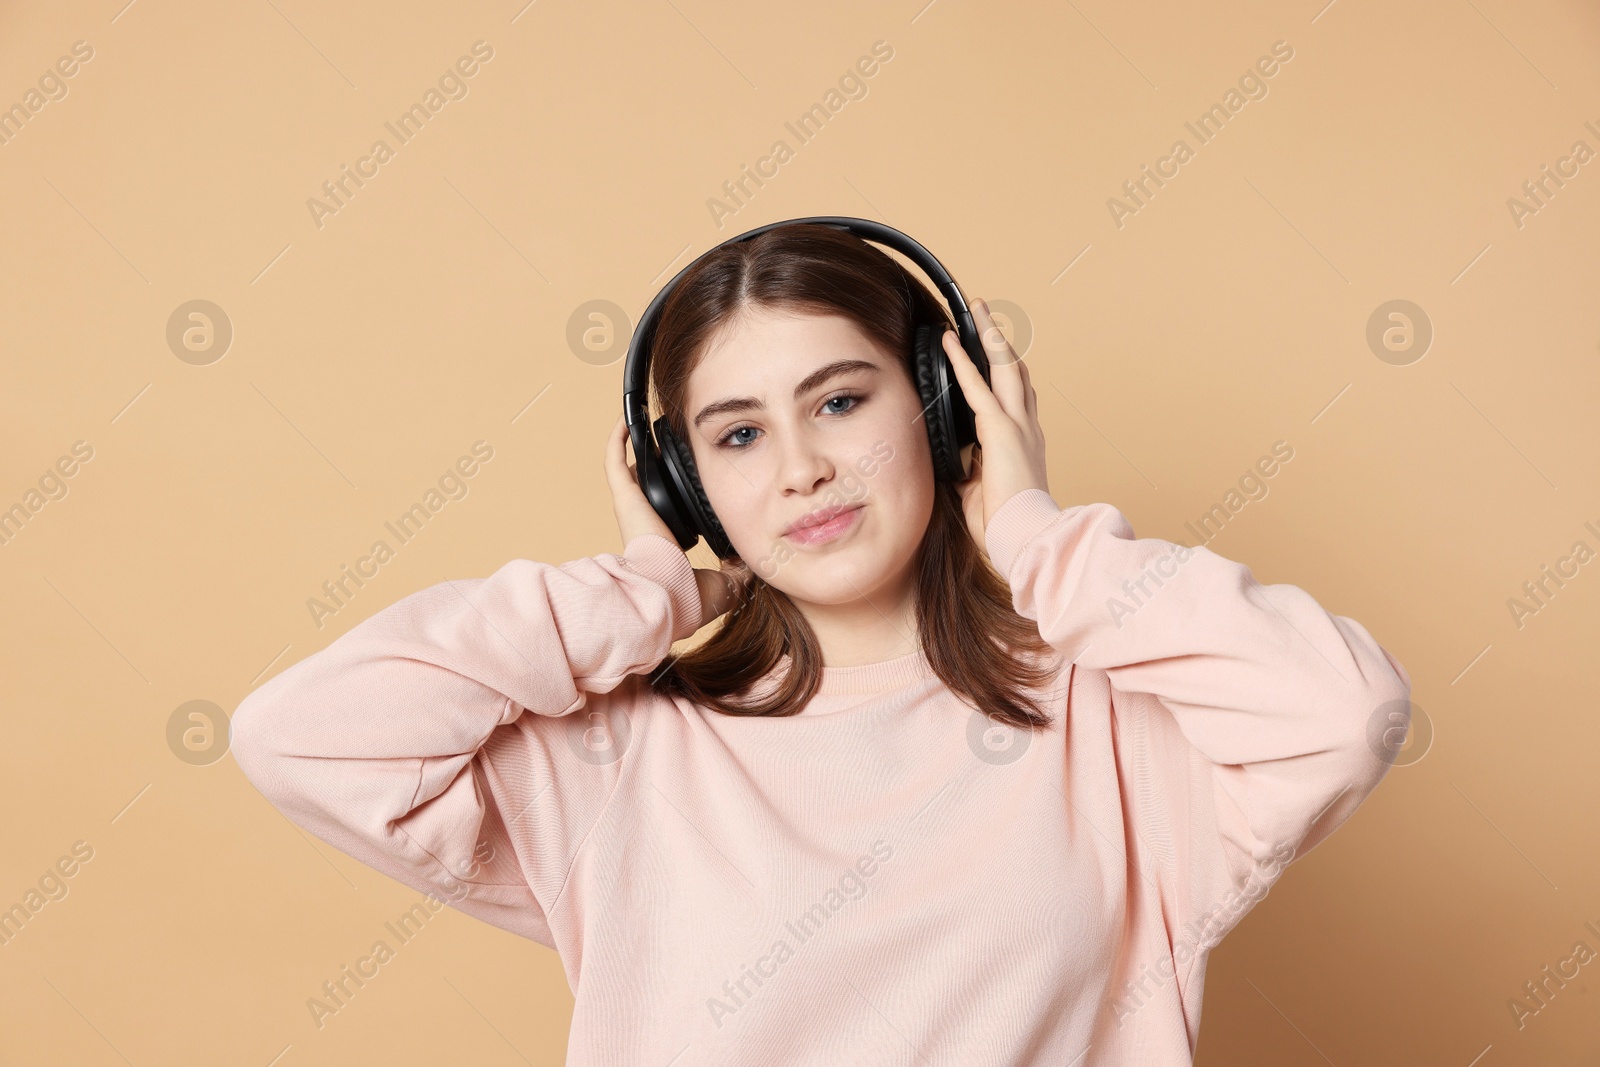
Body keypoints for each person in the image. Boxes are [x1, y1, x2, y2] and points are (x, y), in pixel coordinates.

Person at [230, 223, 1412, 1064]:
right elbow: (298, 737)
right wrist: (649, 593)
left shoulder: (1120, 727)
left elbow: (1341, 713)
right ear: (684, 485)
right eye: (737, 435)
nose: (799, 466)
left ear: (944, 409)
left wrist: (1039, 534)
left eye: (841, 401)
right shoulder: (618, 757)